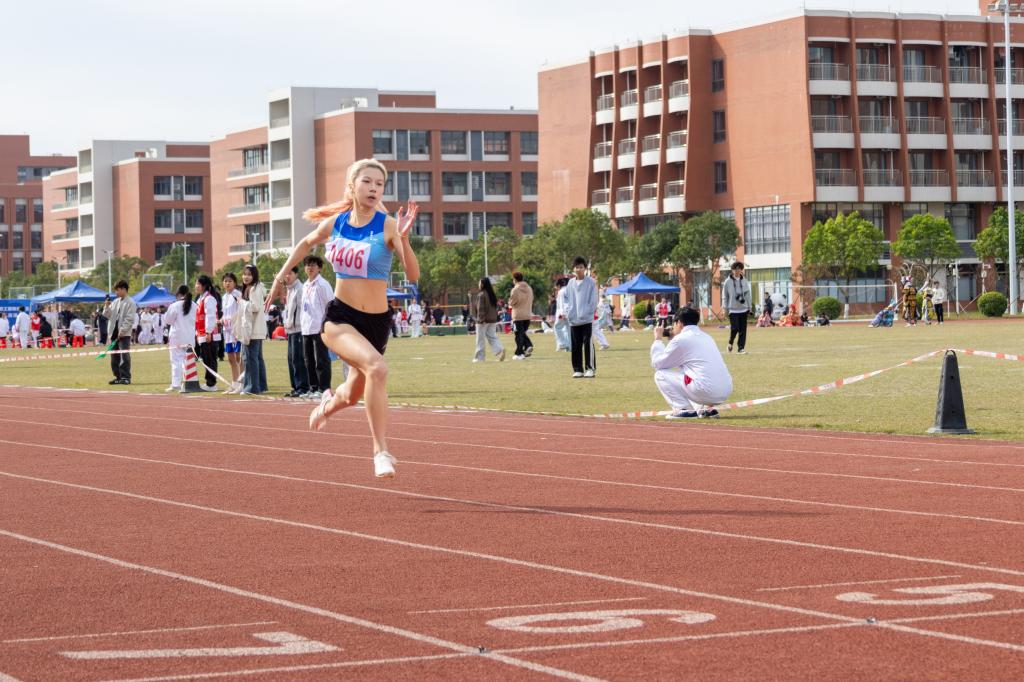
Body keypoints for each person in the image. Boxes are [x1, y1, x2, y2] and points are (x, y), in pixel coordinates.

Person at [265, 158, 420, 479]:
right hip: (339, 318)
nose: (374, 188)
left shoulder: (389, 226)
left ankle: (326, 405)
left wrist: (404, 239)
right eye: (367, 182)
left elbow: (414, 275)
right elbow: (306, 243)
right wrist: (280, 277)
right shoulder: (336, 224)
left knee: (351, 395)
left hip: (376, 323)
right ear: (352, 186)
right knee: (378, 368)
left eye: (380, 184)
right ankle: (381, 452)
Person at [651, 306, 733, 419]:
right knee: (690, 374)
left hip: (705, 390)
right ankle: (705, 409)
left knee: (660, 375)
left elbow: (658, 364)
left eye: (674, 324)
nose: (673, 328)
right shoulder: (707, 336)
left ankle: (683, 409)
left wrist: (658, 339)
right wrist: (673, 337)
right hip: (725, 390)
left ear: (679, 323)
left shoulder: (681, 339)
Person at [301, 254, 335, 398]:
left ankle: (323, 388)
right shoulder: (305, 285)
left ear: (319, 268)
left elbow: (331, 304)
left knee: (321, 359)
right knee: (308, 359)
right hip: (306, 327)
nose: (310, 268)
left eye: (313, 265)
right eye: (308, 265)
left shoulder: (323, 284)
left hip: (320, 327)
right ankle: (313, 387)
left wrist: (327, 325)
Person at [565, 256, 598, 378]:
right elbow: (567, 299)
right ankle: (578, 369)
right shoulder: (570, 283)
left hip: (586, 319)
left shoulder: (591, 282)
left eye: (581, 267)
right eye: (576, 267)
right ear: (573, 269)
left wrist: (587, 312)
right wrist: (569, 313)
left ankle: (590, 368)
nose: (579, 269)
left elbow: (593, 300)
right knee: (575, 345)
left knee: (587, 343)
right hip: (573, 319)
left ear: (585, 269)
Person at [280, 266, 309, 398]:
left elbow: (303, 310)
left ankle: (303, 387)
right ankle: (296, 386)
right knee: (291, 359)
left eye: (290, 273)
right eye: (285, 274)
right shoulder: (289, 289)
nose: (287, 276)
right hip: (291, 329)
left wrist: (299, 324)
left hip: (299, 329)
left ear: (296, 274)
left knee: (298, 359)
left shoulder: (300, 289)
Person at [101, 281, 138, 385]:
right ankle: (118, 377)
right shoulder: (115, 302)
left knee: (124, 355)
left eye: (117, 290)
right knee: (114, 356)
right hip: (113, 332)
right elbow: (106, 315)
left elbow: (129, 319)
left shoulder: (131, 302)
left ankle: (125, 377)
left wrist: (122, 330)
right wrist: (106, 306)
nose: (116, 292)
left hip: (124, 334)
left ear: (123, 289)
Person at [239, 264, 268, 394]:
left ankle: (252, 387)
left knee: (250, 358)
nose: (246, 277)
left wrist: (241, 302)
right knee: (257, 358)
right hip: (256, 328)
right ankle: (260, 385)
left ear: (254, 276)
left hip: (253, 329)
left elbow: (255, 307)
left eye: (249, 274)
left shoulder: (254, 289)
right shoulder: (253, 288)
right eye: (244, 274)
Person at [162, 285, 196, 392]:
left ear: (178, 294)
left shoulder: (175, 305)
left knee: (176, 361)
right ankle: (187, 383)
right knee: (188, 361)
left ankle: (176, 384)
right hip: (190, 337)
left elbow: (168, 320)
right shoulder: (195, 305)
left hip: (177, 337)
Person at [194, 275, 221, 392]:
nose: (196, 286)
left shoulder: (209, 299)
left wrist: (208, 332)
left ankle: (211, 384)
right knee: (206, 359)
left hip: (209, 334)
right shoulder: (200, 299)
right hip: (202, 334)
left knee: (210, 359)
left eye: (198, 284)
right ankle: (209, 382)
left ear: (204, 286)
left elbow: (211, 317)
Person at [220, 273, 244, 392]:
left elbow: (242, 311)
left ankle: (242, 383)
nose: (227, 283)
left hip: (236, 330)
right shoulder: (224, 297)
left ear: (234, 283)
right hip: (227, 331)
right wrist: (221, 320)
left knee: (238, 357)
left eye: (230, 281)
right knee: (230, 358)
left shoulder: (237, 295)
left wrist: (232, 320)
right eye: (225, 281)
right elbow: (225, 313)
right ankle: (234, 383)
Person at [472, 277, 505, 362]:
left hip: (483, 321)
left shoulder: (481, 295)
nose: (478, 284)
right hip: (492, 320)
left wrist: (480, 320)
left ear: (483, 284)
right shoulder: (492, 295)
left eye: (479, 283)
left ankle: (479, 358)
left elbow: (481, 309)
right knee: (492, 336)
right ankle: (499, 349)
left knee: (480, 340)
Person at [723, 261, 751, 353]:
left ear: (741, 270)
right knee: (735, 328)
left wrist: (749, 306)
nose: (737, 271)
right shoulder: (727, 282)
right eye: (735, 269)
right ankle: (730, 342)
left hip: (743, 308)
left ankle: (741, 348)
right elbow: (725, 296)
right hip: (732, 309)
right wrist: (725, 308)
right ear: (732, 270)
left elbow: (747, 294)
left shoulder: (744, 281)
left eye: (739, 269)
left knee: (743, 330)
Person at [509, 271, 534, 360]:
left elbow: (512, 302)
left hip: (518, 315)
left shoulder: (515, 289)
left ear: (515, 279)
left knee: (518, 335)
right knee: (522, 333)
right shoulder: (529, 288)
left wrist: (509, 303)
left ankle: (520, 352)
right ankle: (526, 347)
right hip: (527, 314)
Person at [554, 278, 571, 351]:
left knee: (557, 327)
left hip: (563, 312)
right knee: (569, 330)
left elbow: (562, 303)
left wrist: (562, 314)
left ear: (558, 285)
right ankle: (570, 347)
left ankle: (562, 344)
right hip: (570, 312)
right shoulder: (570, 290)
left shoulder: (561, 291)